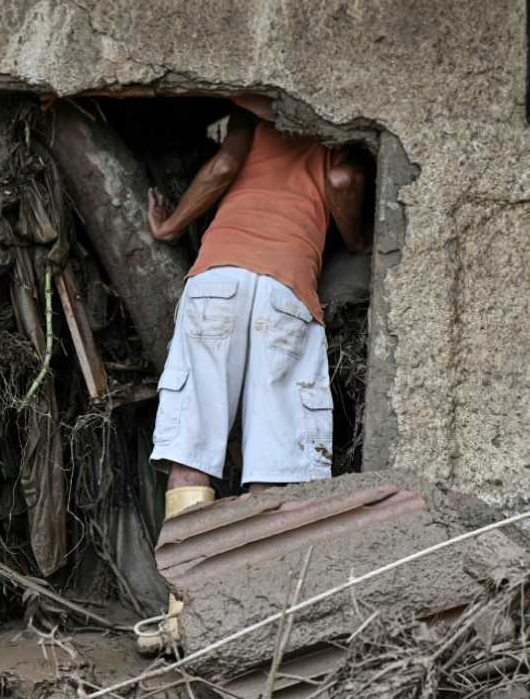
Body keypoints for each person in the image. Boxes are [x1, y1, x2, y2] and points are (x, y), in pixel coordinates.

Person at [136, 95, 368, 651]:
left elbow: (221, 166)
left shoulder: (257, 112)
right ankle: (253, 620)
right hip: (285, 290)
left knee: (192, 452)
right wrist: (359, 239)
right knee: (275, 460)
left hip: (216, 280)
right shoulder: (338, 126)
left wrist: (169, 227)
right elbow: (340, 181)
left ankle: (181, 620)